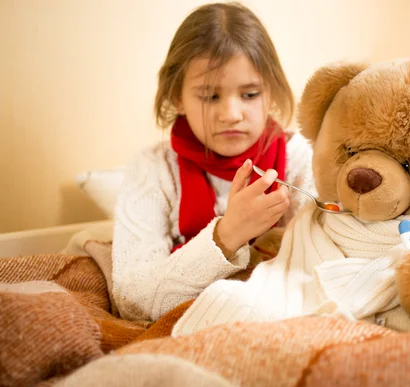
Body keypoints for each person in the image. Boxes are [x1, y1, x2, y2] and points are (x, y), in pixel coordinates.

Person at [111, 2, 315, 322]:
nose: (231, 114)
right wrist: (227, 235)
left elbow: (328, 267)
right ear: (177, 97)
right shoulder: (153, 169)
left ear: (271, 92)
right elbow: (131, 300)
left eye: (249, 95)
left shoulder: (301, 159)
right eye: (209, 96)